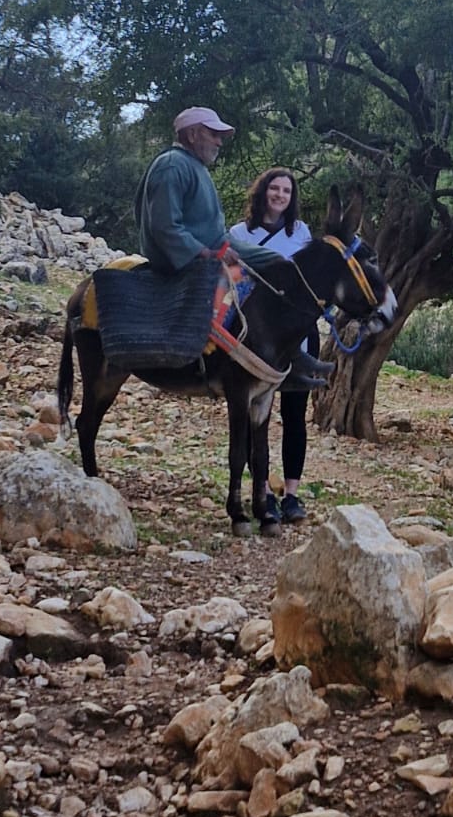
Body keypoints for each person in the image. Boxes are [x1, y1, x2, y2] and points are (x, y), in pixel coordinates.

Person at [134, 108, 332, 388]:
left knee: (281, 265)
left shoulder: (194, 166)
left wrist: (220, 247)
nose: (219, 142)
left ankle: (291, 354)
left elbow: (207, 229)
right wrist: (206, 253)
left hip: (215, 244)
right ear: (192, 134)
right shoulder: (172, 165)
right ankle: (224, 361)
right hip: (188, 257)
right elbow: (164, 227)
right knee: (244, 287)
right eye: (213, 134)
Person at [229, 169, 316, 523]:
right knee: (255, 417)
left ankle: (292, 494)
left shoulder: (302, 233)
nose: (280, 195)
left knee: (295, 415)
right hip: (256, 340)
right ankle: (262, 489)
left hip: (298, 338)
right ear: (263, 191)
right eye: (275, 188)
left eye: (286, 191)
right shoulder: (239, 234)